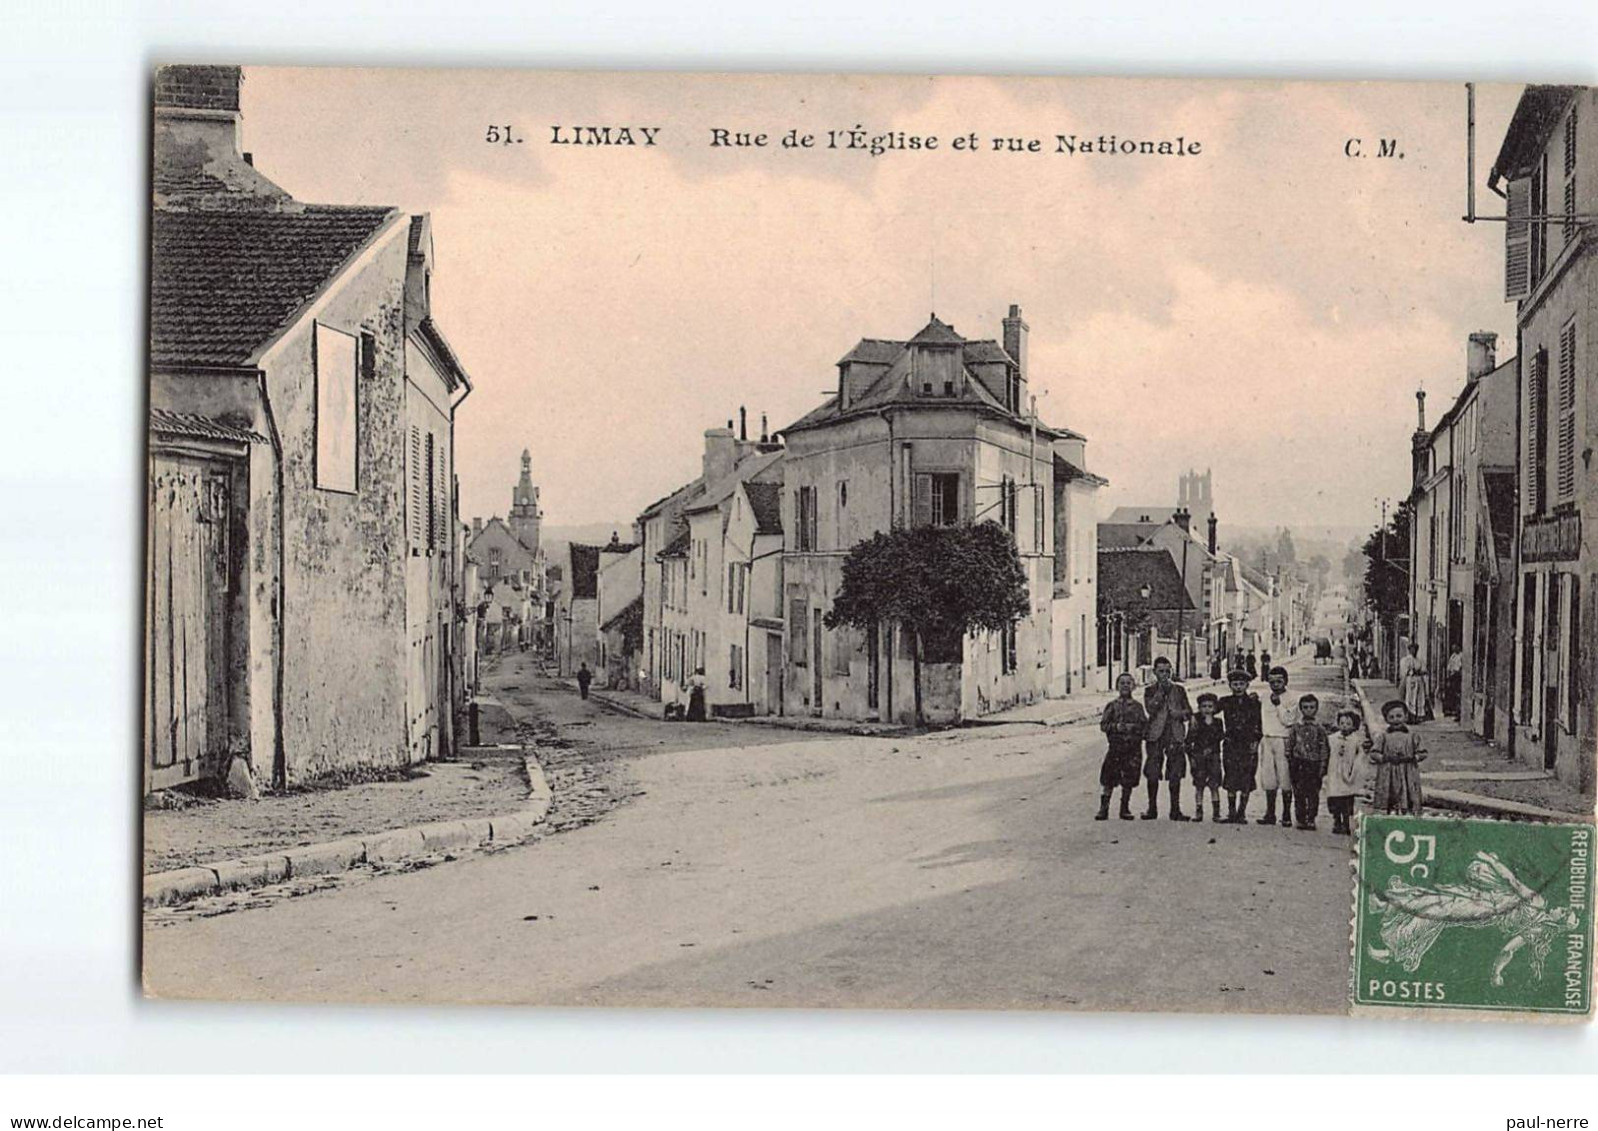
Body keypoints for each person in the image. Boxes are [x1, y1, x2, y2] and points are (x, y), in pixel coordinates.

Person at [1141, 656, 1193, 820]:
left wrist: (1179, 714)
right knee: (1153, 772)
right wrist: (1160, 693)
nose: (1165, 674)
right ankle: (1152, 809)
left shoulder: (1179, 690)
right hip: (1155, 735)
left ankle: (1175, 810)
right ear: (1155, 672)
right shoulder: (1149, 690)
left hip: (1175, 734)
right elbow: (1150, 710)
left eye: (1167, 671)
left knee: (1175, 772)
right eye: (1161, 671)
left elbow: (1188, 712)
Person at [1096, 672, 1147, 821]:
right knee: (1108, 778)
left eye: (1128, 683)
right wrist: (1116, 726)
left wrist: (1134, 728)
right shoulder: (1112, 706)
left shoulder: (1137, 707)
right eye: (1122, 683)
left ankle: (1124, 808)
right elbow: (1104, 725)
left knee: (1129, 779)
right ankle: (1103, 808)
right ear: (1117, 686)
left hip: (1132, 749)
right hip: (1115, 748)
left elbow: (1144, 725)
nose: (1125, 686)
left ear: (1133, 686)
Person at [1217, 669, 1262, 823]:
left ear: (1247, 685)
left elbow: (1258, 724)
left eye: (1241, 684)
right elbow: (1207, 708)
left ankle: (1241, 813)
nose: (1238, 687)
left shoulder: (1253, 703)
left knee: (1247, 777)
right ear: (1230, 685)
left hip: (1248, 744)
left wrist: (1255, 741)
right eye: (1235, 684)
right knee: (1230, 776)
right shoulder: (1225, 702)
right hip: (1231, 744)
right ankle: (1231, 813)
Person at [1256, 666, 1298, 827]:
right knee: (1269, 778)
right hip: (1267, 739)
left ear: (1285, 681)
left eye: (1279, 681)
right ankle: (1270, 813)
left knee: (1285, 777)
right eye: (1272, 681)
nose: (1275, 685)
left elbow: (1289, 720)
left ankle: (1286, 814)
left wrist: (1279, 704)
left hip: (1283, 739)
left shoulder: (1291, 698)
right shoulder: (1265, 697)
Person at [1370, 699, 1426, 814]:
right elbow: (1374, 753)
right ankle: (1389, 813)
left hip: (1408, 770)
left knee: (1410, 791)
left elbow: (1423, 752)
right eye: (1392, 717)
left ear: (1405, 716)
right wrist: (1384, 758)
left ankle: (1408, 812)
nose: (1396, 720)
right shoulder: (1383, 737)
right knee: (1389, 792)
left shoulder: (1412, 736)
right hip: (1388, 770)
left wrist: (1414, 758)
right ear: (1386, 719)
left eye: (1399, 716)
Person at [1284, 693, 1330, 830]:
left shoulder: (1320, 729)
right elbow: (1290, 745)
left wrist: (1323, 765)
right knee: (1299, 793)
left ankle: (1311, 818)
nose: (1308, 710)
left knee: (1313, 793)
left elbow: (1324, 747)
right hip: (1299, 764)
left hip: (1314, 764)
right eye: (1305, 707)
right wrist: (1290, 759)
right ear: (1301, 709)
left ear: (1316, 709)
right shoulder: (1296, 727)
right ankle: (1300, 818)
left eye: (1311, 707)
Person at [1325, 707, 1369, 835]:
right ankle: (1336, 821)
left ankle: (1345, 823)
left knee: (1347, 800)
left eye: (1348, 724)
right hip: (1334, 773)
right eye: (1342, 723)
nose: (1344, 726)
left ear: (1354, 726)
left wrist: (1354, 771)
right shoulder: (1332, 739)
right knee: (1334, 799)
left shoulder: (1356, 741)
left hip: (1348, 773)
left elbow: (1360, 757)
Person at [1186, 692, 1225, 823]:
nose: (1207, 709)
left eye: (1210, 706)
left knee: (1214, 785)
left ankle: (1216, 812)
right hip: (1199, 756)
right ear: (1199, 707)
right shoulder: (1195, 721)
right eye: (1203, 706)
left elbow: (1220, 737)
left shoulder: (1218, 722)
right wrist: (1192, 756)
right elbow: (1189, 740)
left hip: (1213, 756)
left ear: (1214, 708)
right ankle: (1199, 810)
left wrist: (1211, 748)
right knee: (1199, 784)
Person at [1399, 642, 1431, 723]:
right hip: (1410, 680)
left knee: (1420, 698)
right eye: (1412, 649)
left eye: (1415, 649)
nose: (1414, 651)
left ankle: (1418, 716)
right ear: (1409, 650)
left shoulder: (1419, 660)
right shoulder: (1406, 660)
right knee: (1410, 697)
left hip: (1419, 680)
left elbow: (1424, 670)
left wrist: (1421, 673)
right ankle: (1410, 716)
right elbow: (1404, 672)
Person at [1444, 647, 1464, 718]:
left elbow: (1461, 667)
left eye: (1455, 646)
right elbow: (1449, 666)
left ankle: (1458, 712)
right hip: (1452, 675)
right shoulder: (1453, 655)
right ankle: (1451, 710)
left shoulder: (1462, 655)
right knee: (1450, 692)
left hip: (1457, 676)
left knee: (1457, 693)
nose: (1454, 647)